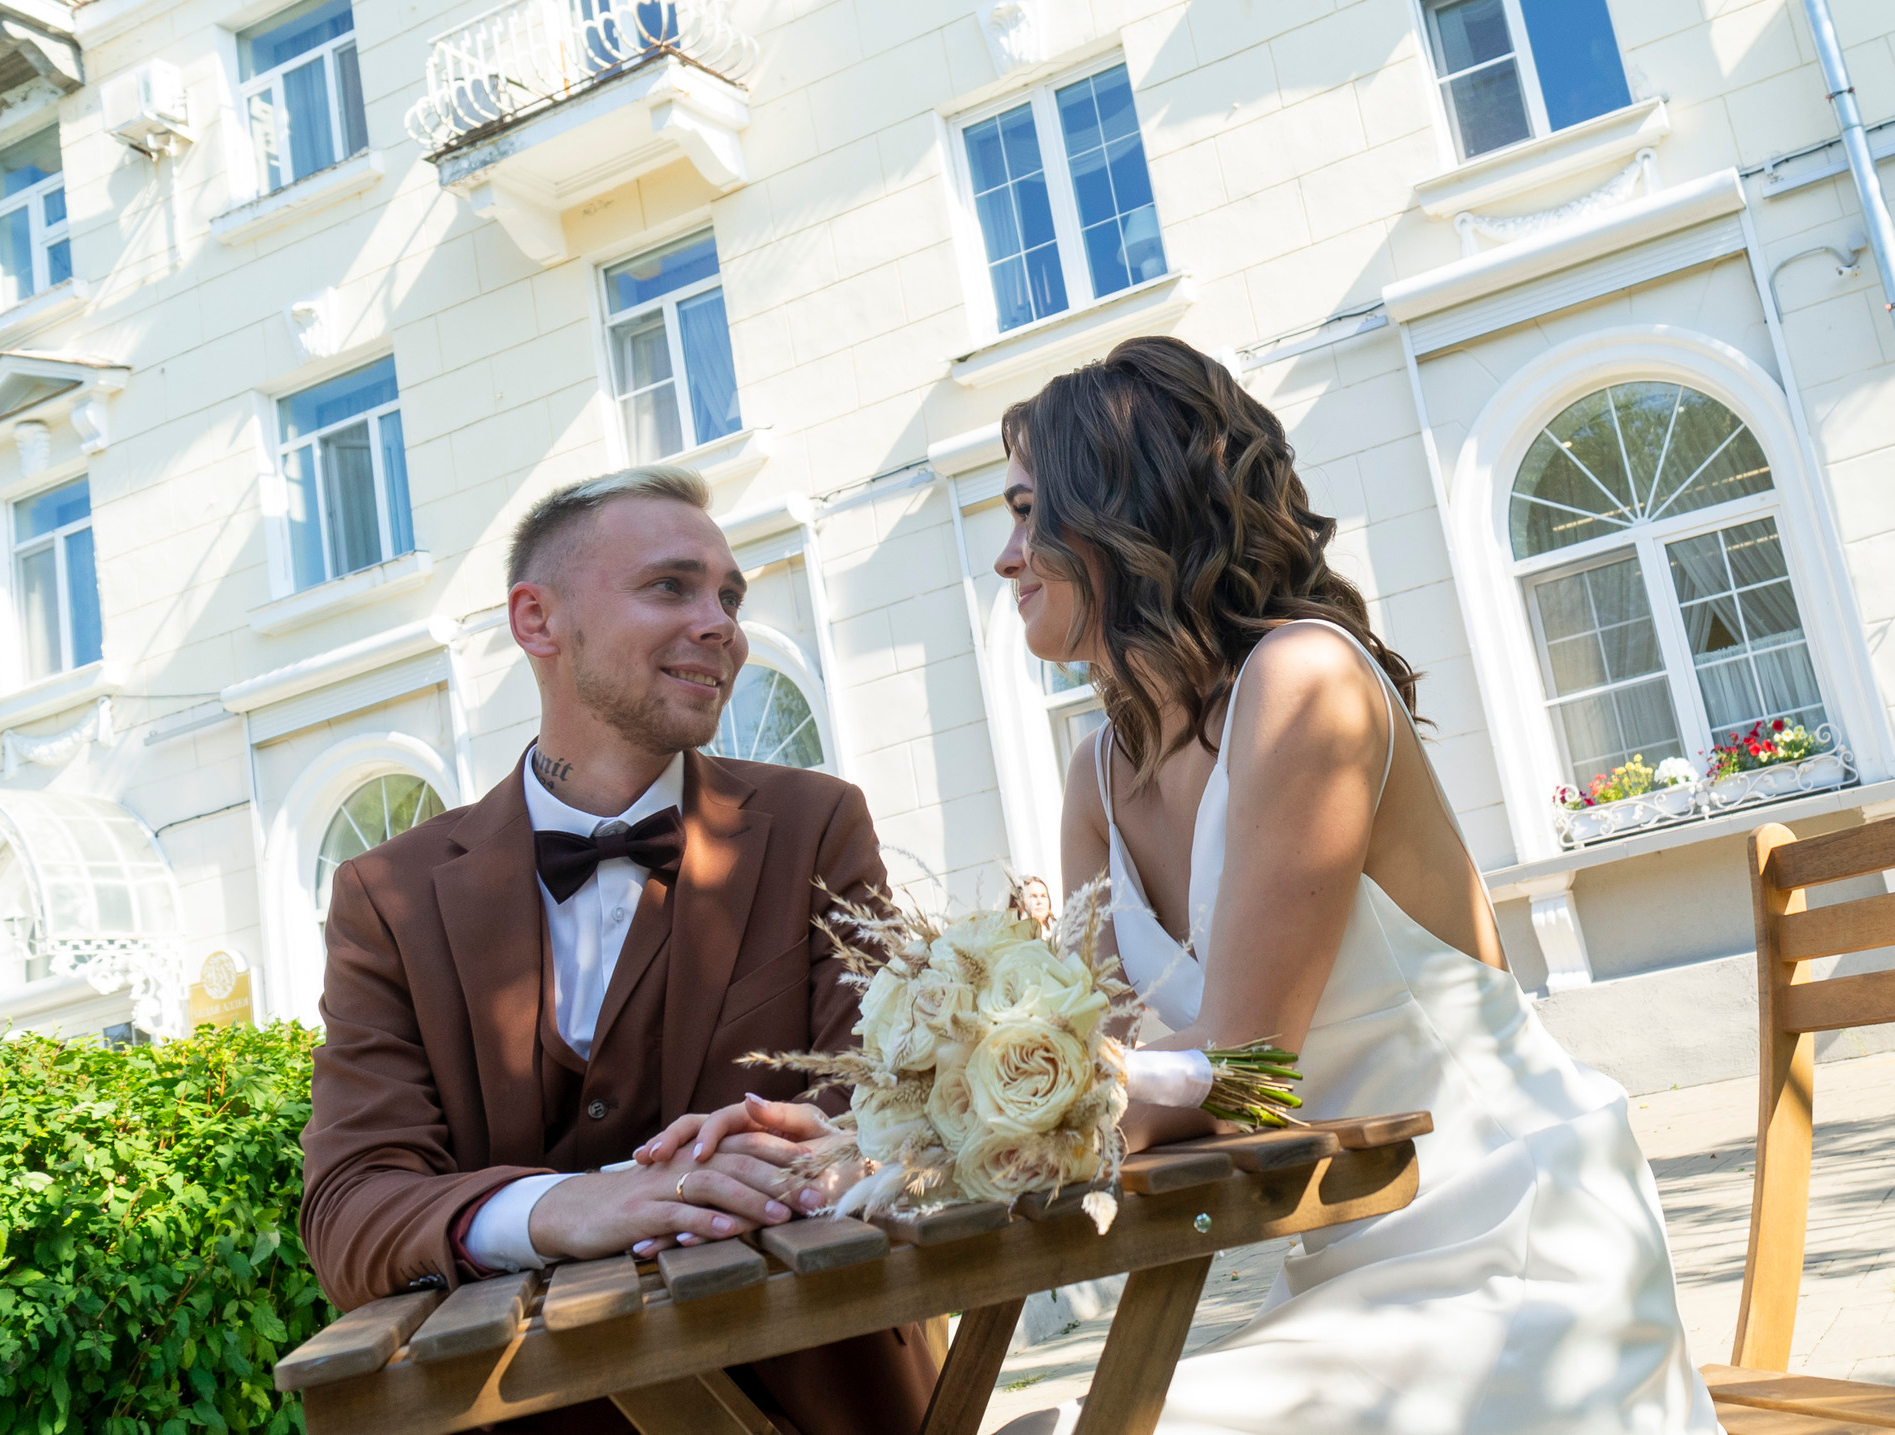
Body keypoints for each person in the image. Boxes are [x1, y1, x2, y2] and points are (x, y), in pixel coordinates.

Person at [988, 339, 1722, 1435]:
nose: (1004, 557)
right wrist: (908, 1114)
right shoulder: (1097, 771)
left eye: (1025, 509)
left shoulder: (1305, 682)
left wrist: (989, 1116)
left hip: (1518, 1237)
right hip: (1350, 1263)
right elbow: (1116, 1076)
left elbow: (1239, 1081)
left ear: (1119, 508)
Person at [301, 464, 938, 1435]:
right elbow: (352, 1209)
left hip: (817, 1400)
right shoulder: (388, 900)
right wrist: (566, 1208)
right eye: (671, 586)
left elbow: (890, 1112)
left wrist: (825, 1152)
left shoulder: (817, 829)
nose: (721, 621)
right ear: (538, 621)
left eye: (729, 596)